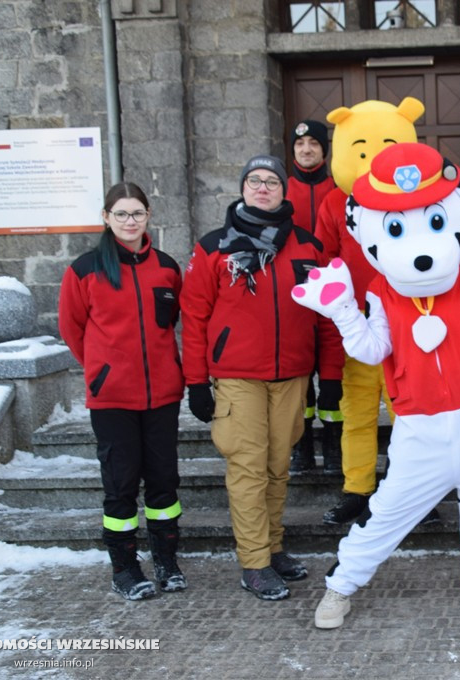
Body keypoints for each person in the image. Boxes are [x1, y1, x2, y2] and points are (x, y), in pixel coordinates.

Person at [292, 142, 460, 629]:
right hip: (420, 425)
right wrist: (344, 311)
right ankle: (341, 585)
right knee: (388, 513)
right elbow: (373, 350)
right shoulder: (380, 291)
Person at [180, 154, 344, 600]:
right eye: (254, 180)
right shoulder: (214, 247)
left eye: (271, 181)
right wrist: (196, 382)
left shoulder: (307, 246)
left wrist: (329, 377)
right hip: (238, 377)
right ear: (243, 188)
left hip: (291, 376)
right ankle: (253, 562)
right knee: (248, 469)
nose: (263, 188)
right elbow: (193, 318)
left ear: (282, 190)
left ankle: (271, 549)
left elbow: (327, 315)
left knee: (277, 469)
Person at [58, 182, 186, 601]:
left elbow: (170, 325)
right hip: (112, 399)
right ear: (106, 218)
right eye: (121, 214)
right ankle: (126, 569)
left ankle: (166, 561)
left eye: (137, 213)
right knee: (121, 486)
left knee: (165, 485)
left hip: (162, 396)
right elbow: (72, 329)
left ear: (148, 217)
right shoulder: (85, 269)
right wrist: (102, 368)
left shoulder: (167, 267)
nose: (130, 221)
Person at [314, 98, 425, 524]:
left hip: (406, 328)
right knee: (357, 414)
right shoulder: (334, 205)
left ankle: (412, 486)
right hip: (357, 328)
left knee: (409, 415)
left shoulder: (413, 202)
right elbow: (325, 259)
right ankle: (357, 488)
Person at [286, 119, 342, 474]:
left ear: (324, 149)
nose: (306, 149)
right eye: (300, 143)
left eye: (313, 144)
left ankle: (335, 447)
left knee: (335, 380)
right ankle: (301, 447)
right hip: (294, 297)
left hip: (334, 294)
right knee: (300, 379)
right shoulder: (281, 188)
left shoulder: (338, 189)